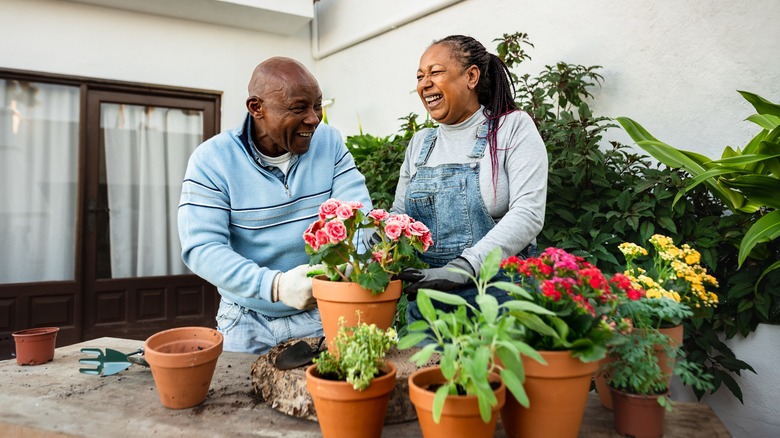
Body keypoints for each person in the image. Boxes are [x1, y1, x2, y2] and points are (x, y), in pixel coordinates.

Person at [178, 57, 372, 355]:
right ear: (257, 108)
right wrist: (276, 286)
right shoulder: (212, 160)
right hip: (245, 319)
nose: (314, 118)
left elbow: (358, 218)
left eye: (317, 105)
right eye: (299, 108)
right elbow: (202, 248)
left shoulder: (329, 143)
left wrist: (343, 268)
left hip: (321, 312)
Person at [394, 35, 548, 319]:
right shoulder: (420, 143)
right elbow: (399, 218)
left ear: (472, 76)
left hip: (501, 297)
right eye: (419, 76)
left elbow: (528, 214)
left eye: (435, 72)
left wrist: (464, 267)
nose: (424, 83)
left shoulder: (511, 128)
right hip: (430, 303)